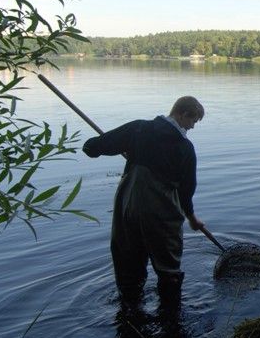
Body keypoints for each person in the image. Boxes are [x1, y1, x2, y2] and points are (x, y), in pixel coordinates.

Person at [83, 96, 206, 305]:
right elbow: (186, 190)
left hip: (127, 207)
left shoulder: (138, 129)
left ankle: (129, 316)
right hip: (161, 213)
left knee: (128, 265)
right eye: (193, 121)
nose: (192, 127)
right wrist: (192, 217)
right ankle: (171, 321)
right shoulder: (185, 148)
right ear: (182, 114)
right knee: (169, 270)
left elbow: (92, 148)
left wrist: (100, 145)